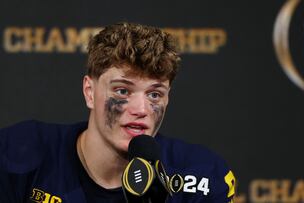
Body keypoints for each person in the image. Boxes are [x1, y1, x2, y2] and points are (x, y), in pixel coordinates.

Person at [0, 22, 235, 203]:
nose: (141, 110)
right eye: (122, 91)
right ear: (89, 92)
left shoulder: (201, 175)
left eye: (154, 94)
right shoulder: (17, 153)